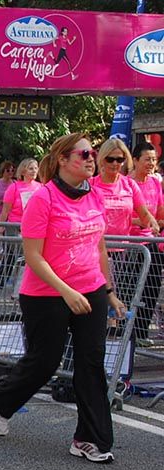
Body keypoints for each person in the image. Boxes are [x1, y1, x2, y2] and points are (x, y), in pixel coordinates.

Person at [0, 133, 126, 463]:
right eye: (85, 153)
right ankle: (3, 400)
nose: (92, 158)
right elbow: (33, 256)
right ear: (63, 160)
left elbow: (100, 247)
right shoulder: (43, 199)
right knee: (44, 362)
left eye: (94, 153)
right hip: (46, 293)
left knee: (91, 363)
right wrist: (66, 291)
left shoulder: (94, 196)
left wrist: (109, 291)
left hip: (90, 288)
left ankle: (89, 439)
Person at [91, 139, 157, 343]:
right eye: (110, 159)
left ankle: (119, 348)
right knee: (97, 299)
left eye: (120, 159)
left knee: (124, 300)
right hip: (95, 251)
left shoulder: (129, 184)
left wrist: (152, 222)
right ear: (102, 159)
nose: (115, 163)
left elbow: (144, 213)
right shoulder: (91, 184)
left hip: (124, 252)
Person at [130, 142, 164, 345]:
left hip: (153, 240)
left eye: (154, 159)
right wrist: (144, 220)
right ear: (135, 160)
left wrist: (156, 221)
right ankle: (129, 332)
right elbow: (121, 215)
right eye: (147, 159)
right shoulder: (127, 183)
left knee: (152, 286)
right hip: (132, 242)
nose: (151, 163)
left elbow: (160, 212)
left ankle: (141, 333)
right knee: (133, 288)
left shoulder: (155, 183)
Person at [0, 158, 41, 288]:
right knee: (13, 253)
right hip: (15, 226)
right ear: (23, 171)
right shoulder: (14, 187)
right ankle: (2, 279)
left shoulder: (40, 187)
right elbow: (5, 210)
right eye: (31, 168)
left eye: (35, 168)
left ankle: (22, 283)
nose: (34, 171)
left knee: (27, 254)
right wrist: (0, 227)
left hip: (33, 226)